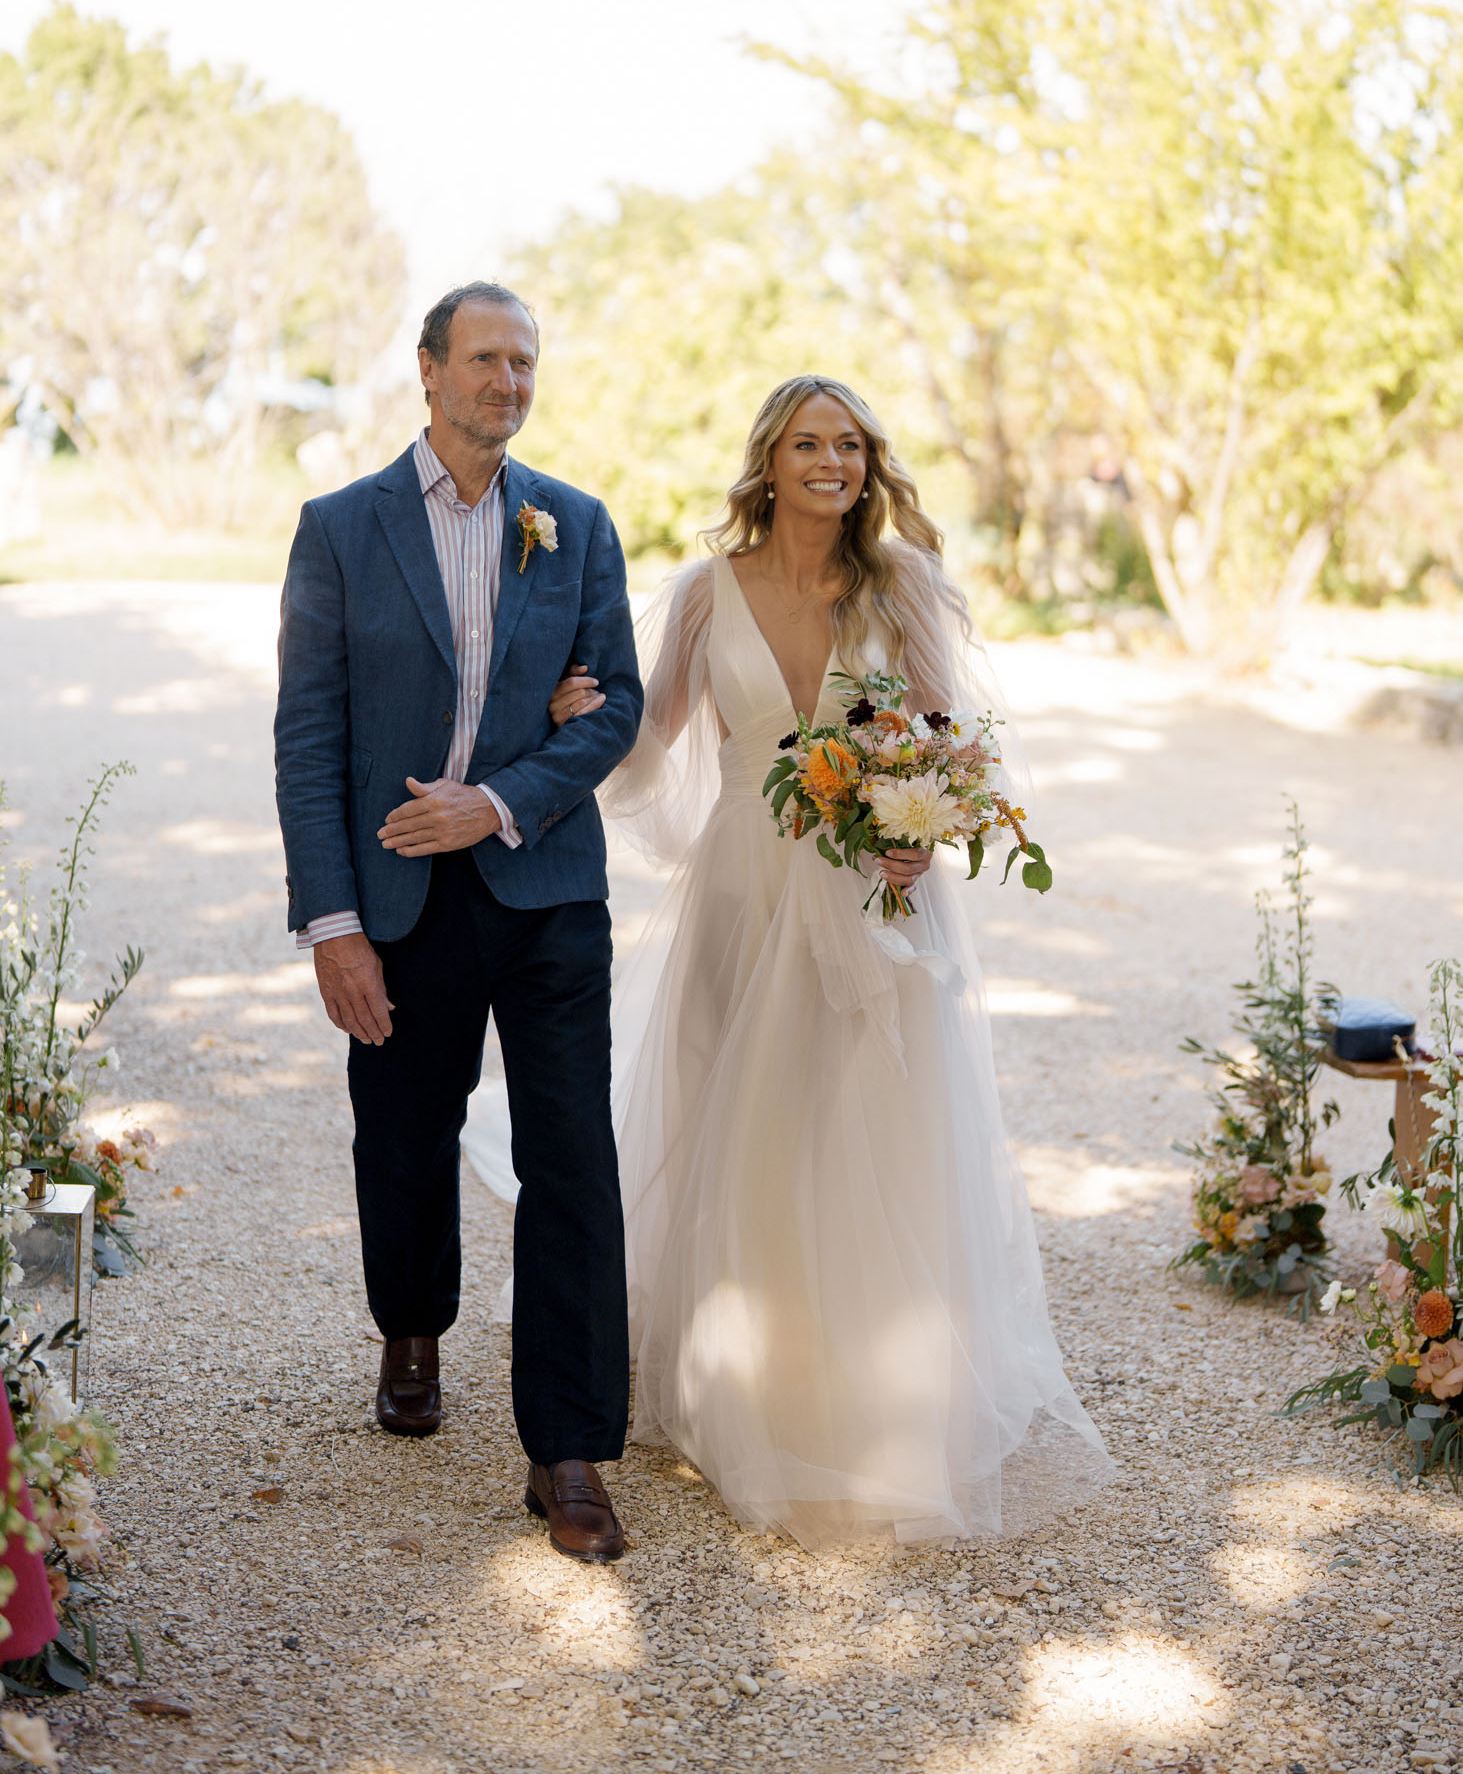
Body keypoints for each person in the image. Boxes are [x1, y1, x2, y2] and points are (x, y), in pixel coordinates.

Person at [532, 373, 1113, 1549]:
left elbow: (955, 740)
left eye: (849, 444)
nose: (832, 462)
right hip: (745, 890)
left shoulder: (900, 585)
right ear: (770, 459)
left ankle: (872, 1400)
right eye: (809, 442)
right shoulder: (707, 590)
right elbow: (650, 745)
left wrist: (922, 830)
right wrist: (571, 716)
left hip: (872, 885)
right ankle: (748, 1387)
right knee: (742, 1119)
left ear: (867, 464)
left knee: (868, 1123)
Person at [274, 280, 643, 1563]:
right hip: (395, 901)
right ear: (427, 372)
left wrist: (494, 801)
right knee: (403, 1133)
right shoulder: (336, 528)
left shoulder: (577, 524)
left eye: (524, 361)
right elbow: (309, 732)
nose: (507, 380)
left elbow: (613, 710)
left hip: (545, 892)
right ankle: (413, 1330)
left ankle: (571, 1445)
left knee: (572, 1159)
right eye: (484, 358)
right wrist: (333, 925)